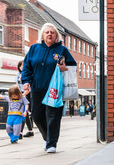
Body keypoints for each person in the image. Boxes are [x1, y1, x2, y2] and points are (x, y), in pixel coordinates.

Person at [21, 23, 77, 153]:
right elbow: (26, 66)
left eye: (52, 32)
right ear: (43, 35)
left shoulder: (62, 50)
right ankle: (47, 138)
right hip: (37, 88)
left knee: (53, 117)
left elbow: (72, 66)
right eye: (47, 32)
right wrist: (25, 81)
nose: (50, 34)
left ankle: (52, 144)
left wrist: (64, 68)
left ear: (56, 35)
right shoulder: (34, 48)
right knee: (36, 116)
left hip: (54, 90)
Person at [16, 60, 34, 138]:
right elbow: (17, 85)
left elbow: (29, 89)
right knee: (24, 114)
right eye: (20, 66)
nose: (21, 67)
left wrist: (22, 95)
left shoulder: (28, 74)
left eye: (23, 65)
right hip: (21, 95)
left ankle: (20, 133)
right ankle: (30, 131)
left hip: (28, 95)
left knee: (24, 112)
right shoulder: (18, 75)